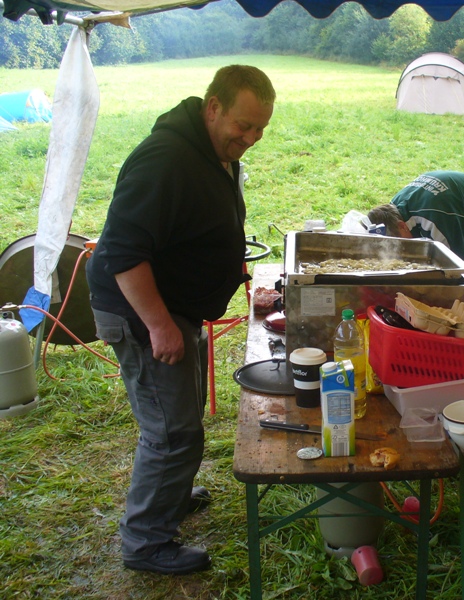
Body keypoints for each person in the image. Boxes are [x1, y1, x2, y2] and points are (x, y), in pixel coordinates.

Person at [86, 65, 276, 575]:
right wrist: (159, 325)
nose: (251, 138)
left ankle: (169, 495)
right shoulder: (165, 159)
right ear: (213, 107)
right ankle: (146, 542)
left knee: (182, 415)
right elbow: (122, 252)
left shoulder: (213, 151)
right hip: (140, 309)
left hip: (176, 306)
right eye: (243, 125)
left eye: (260, 128)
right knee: (171, 432)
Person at [368, 170, 464, 270]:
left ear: (402, 226)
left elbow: (456, 265)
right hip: (459, 211)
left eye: (399, 245)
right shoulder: (394, 207)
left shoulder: (436, 220)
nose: (400, 251)